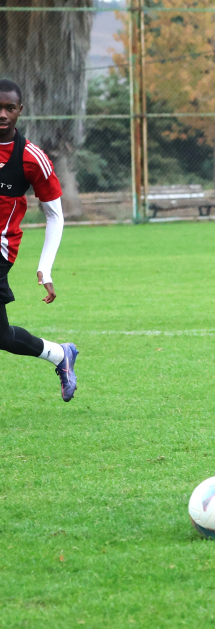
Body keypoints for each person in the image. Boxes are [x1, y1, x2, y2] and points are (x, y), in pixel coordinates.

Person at [0, 79, 78, 401]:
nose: (2, 114)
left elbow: (54, 216)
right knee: (2, 336)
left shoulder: (32, 158)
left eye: (9, 108)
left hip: (1, 247)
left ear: (20, 111)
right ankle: (60, 355)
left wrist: (45, 268)